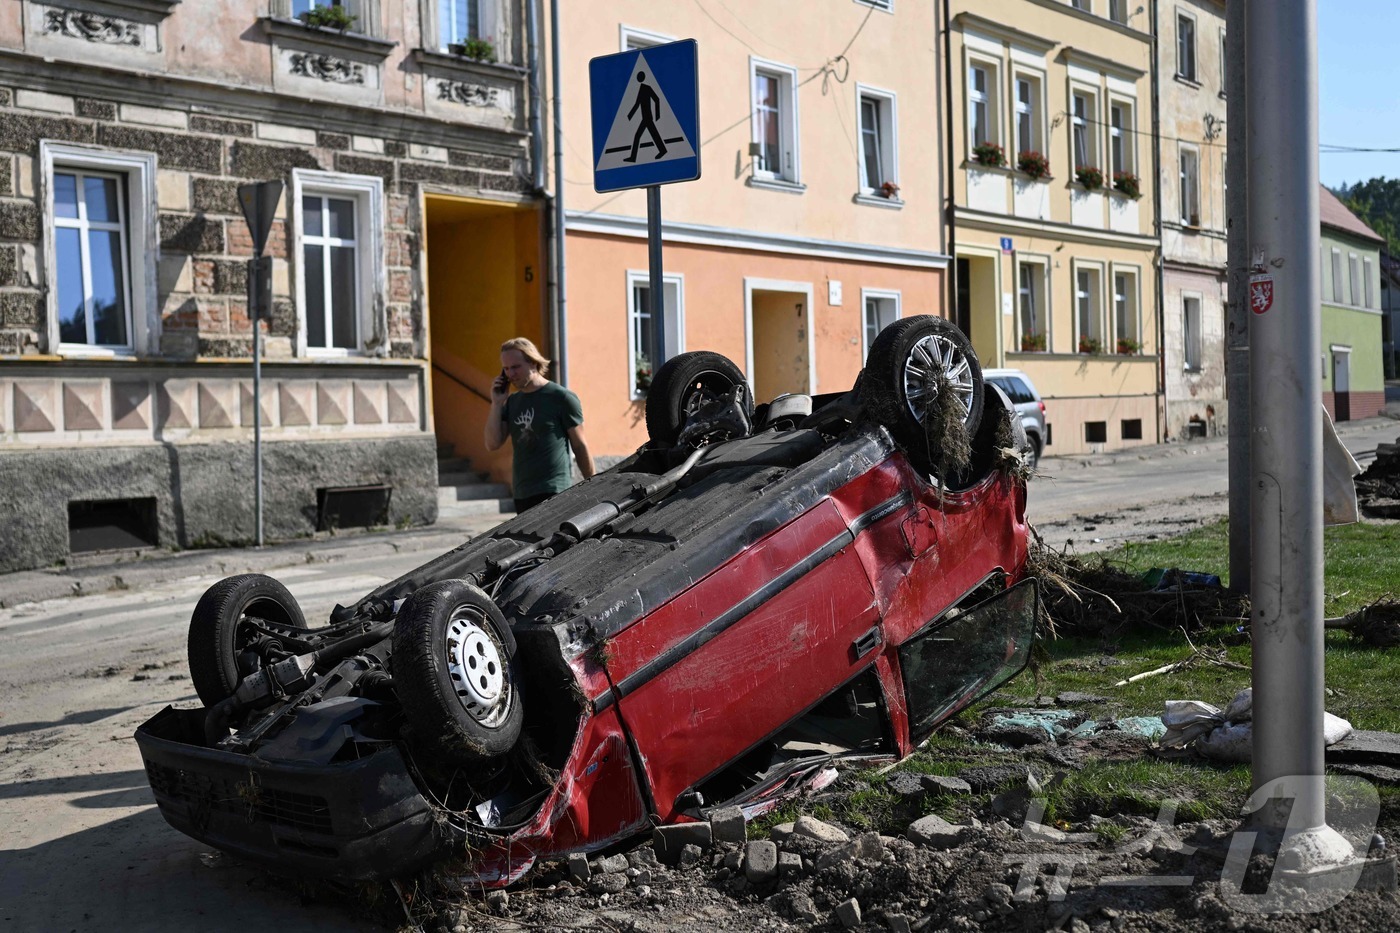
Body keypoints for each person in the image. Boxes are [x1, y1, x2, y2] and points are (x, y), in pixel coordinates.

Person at [485, 337, 595, 513]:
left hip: (554, 490)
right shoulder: (512, 402)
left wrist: (593, 484)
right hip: (522, 492)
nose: (510, 374)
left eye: (515, 367)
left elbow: (580, 445)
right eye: (506, 369)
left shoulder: (561, 397)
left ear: (534, 363)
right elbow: (492, 443)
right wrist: (496, 404)